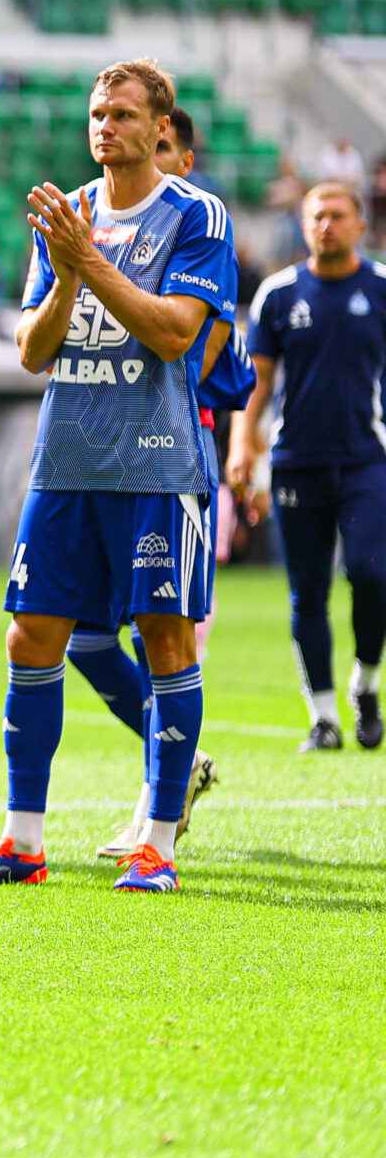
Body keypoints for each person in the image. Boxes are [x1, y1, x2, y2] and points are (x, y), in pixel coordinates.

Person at [0, 59, 235, 895]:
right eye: (97, 113)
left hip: (156, 464)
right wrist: (66, 271)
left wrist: (89, 261)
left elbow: (174, 333)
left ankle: (157, 844)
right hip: (65, 463)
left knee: (165, 640)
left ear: (161, 128)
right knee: (30, 637)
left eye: (123, 114)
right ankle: (22, 841)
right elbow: (33, 350)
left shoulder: (196, 214)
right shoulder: (67, 214)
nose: (106, 126)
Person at [73, 109, 239, 859]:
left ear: (180, 156)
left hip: (175, 460)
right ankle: (180, 766)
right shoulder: (111, 232)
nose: (150, 162)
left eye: (163, 148)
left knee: (161, 636)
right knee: (83, 637)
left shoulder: (202, 240)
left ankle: (156, 811)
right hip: (101, 462)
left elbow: (190, 358)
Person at [230, 181, 386, 753]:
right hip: (296, 462)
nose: (327, 225)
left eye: (338, 215)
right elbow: (257, 381)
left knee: (373, 574)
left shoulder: (381, 288)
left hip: (366, 460)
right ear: (303, 225)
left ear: (359, 225)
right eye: (317, 216)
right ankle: (323, 718)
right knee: (308, 592)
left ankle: (365, 682)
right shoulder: (278, 294)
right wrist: (242, 446)